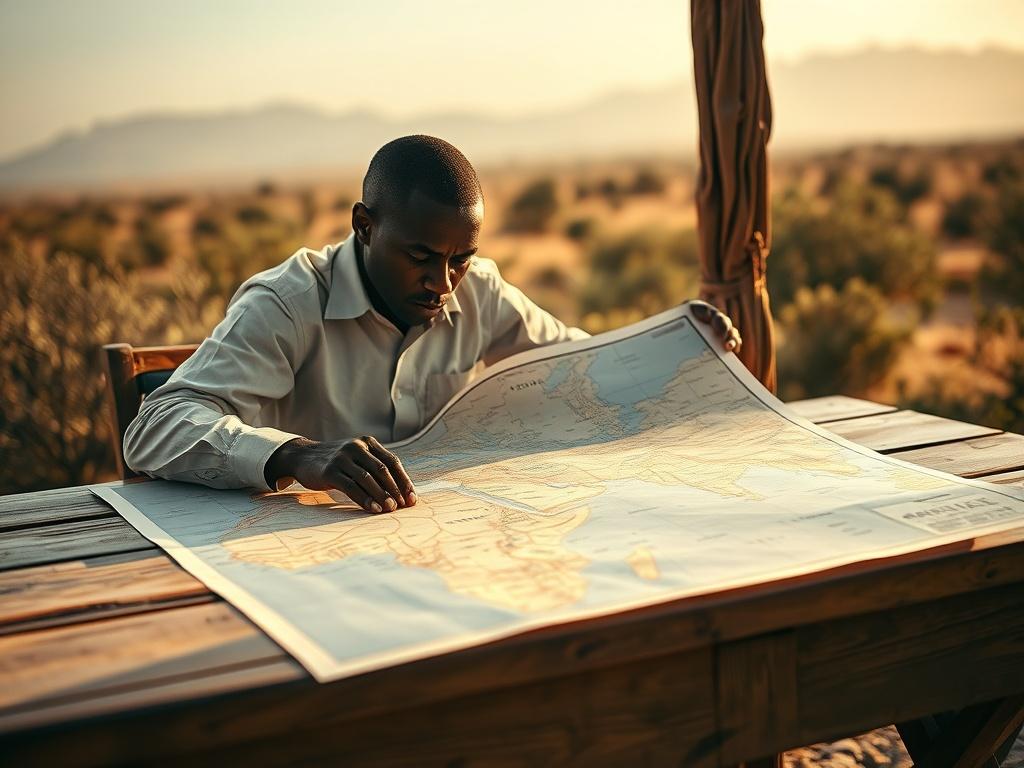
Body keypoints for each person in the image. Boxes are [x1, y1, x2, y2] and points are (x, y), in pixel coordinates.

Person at [124, 135, 742, 513]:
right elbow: (154, 428)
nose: (442, 284)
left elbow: (581, 365)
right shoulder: (286, 304)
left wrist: (676, 347)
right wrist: (299, 456)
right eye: (420, 256)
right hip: (299, 562)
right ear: (364, 226)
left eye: (459, 259)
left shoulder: (480, 291)